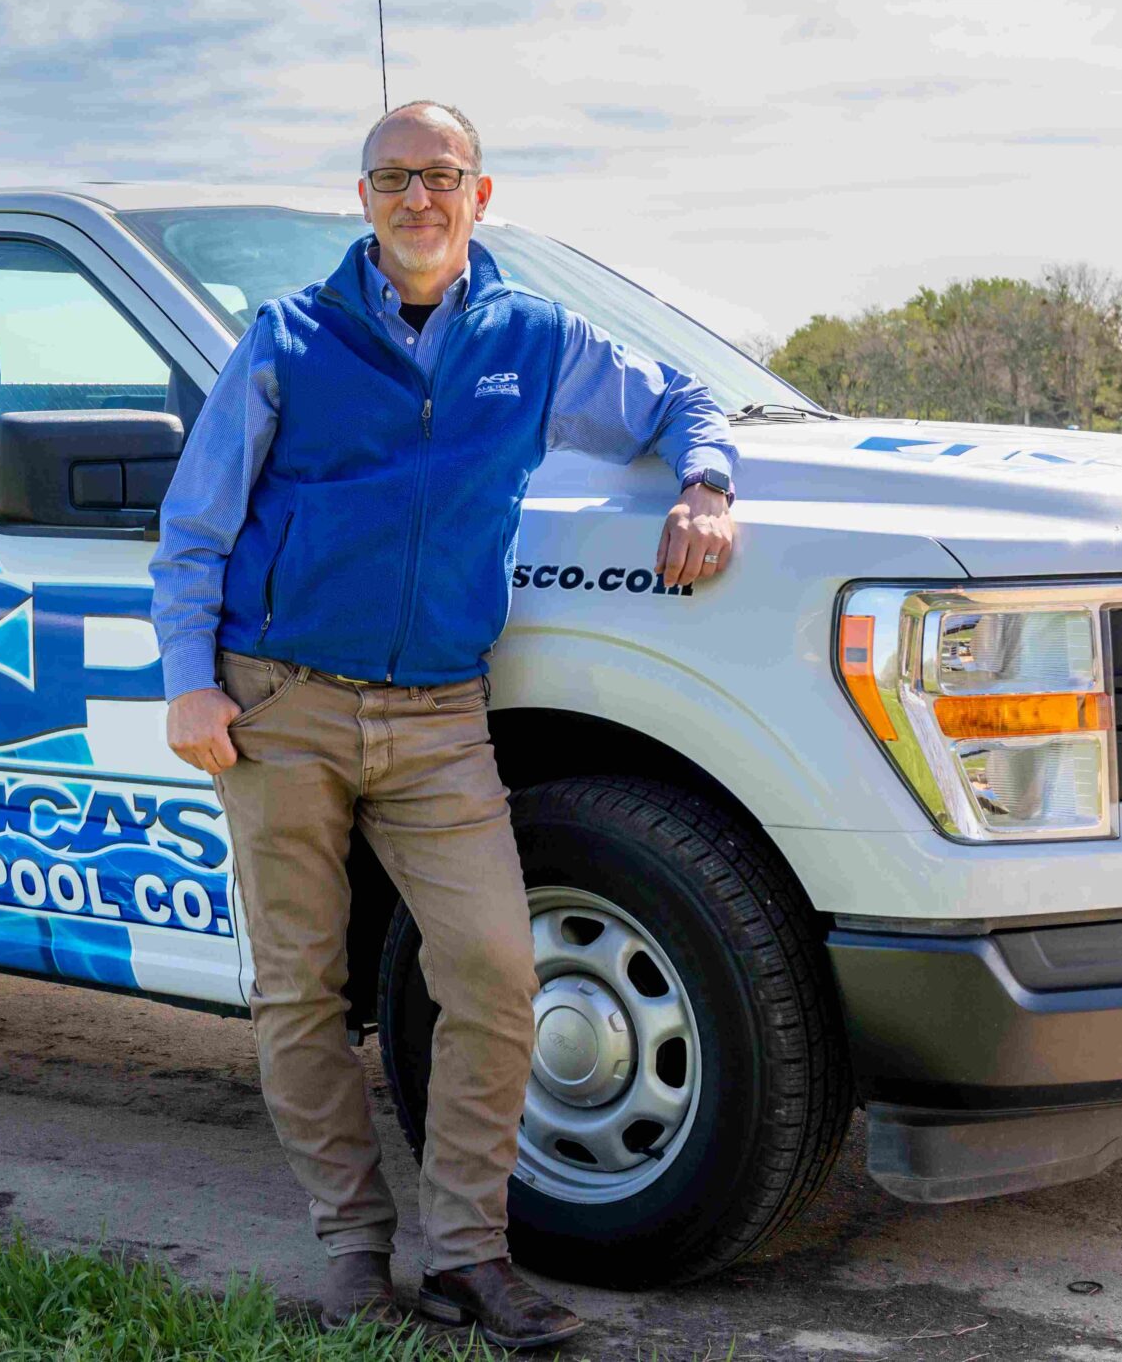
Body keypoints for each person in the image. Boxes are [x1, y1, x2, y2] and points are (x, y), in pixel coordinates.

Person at [151, 100, 738, 1349]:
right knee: (301, 992)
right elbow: (196, 523)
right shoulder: (287, 338)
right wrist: (189, 681)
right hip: (276, 706)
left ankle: (467, 1258)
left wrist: (705, 484)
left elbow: (681, 397)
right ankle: (353, 1253)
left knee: (493, 973)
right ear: (362, 198)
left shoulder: (534, 339)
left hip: (438, 719)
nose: (416, 198)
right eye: (391, 177)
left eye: (440, 177)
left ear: (482, 195)